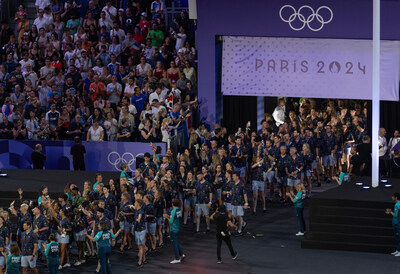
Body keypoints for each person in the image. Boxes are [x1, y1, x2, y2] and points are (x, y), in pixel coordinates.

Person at [163, 198, 185, 264]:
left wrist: (167, 217)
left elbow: (171, 222)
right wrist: (170, 216)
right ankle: (181, 254)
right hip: (177, 227)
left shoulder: (173, 211)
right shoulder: (179, 210)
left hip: (173, 229)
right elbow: (176, 218)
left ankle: (177, 258)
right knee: (176, 242)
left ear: (172, 204)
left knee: (174, 244)